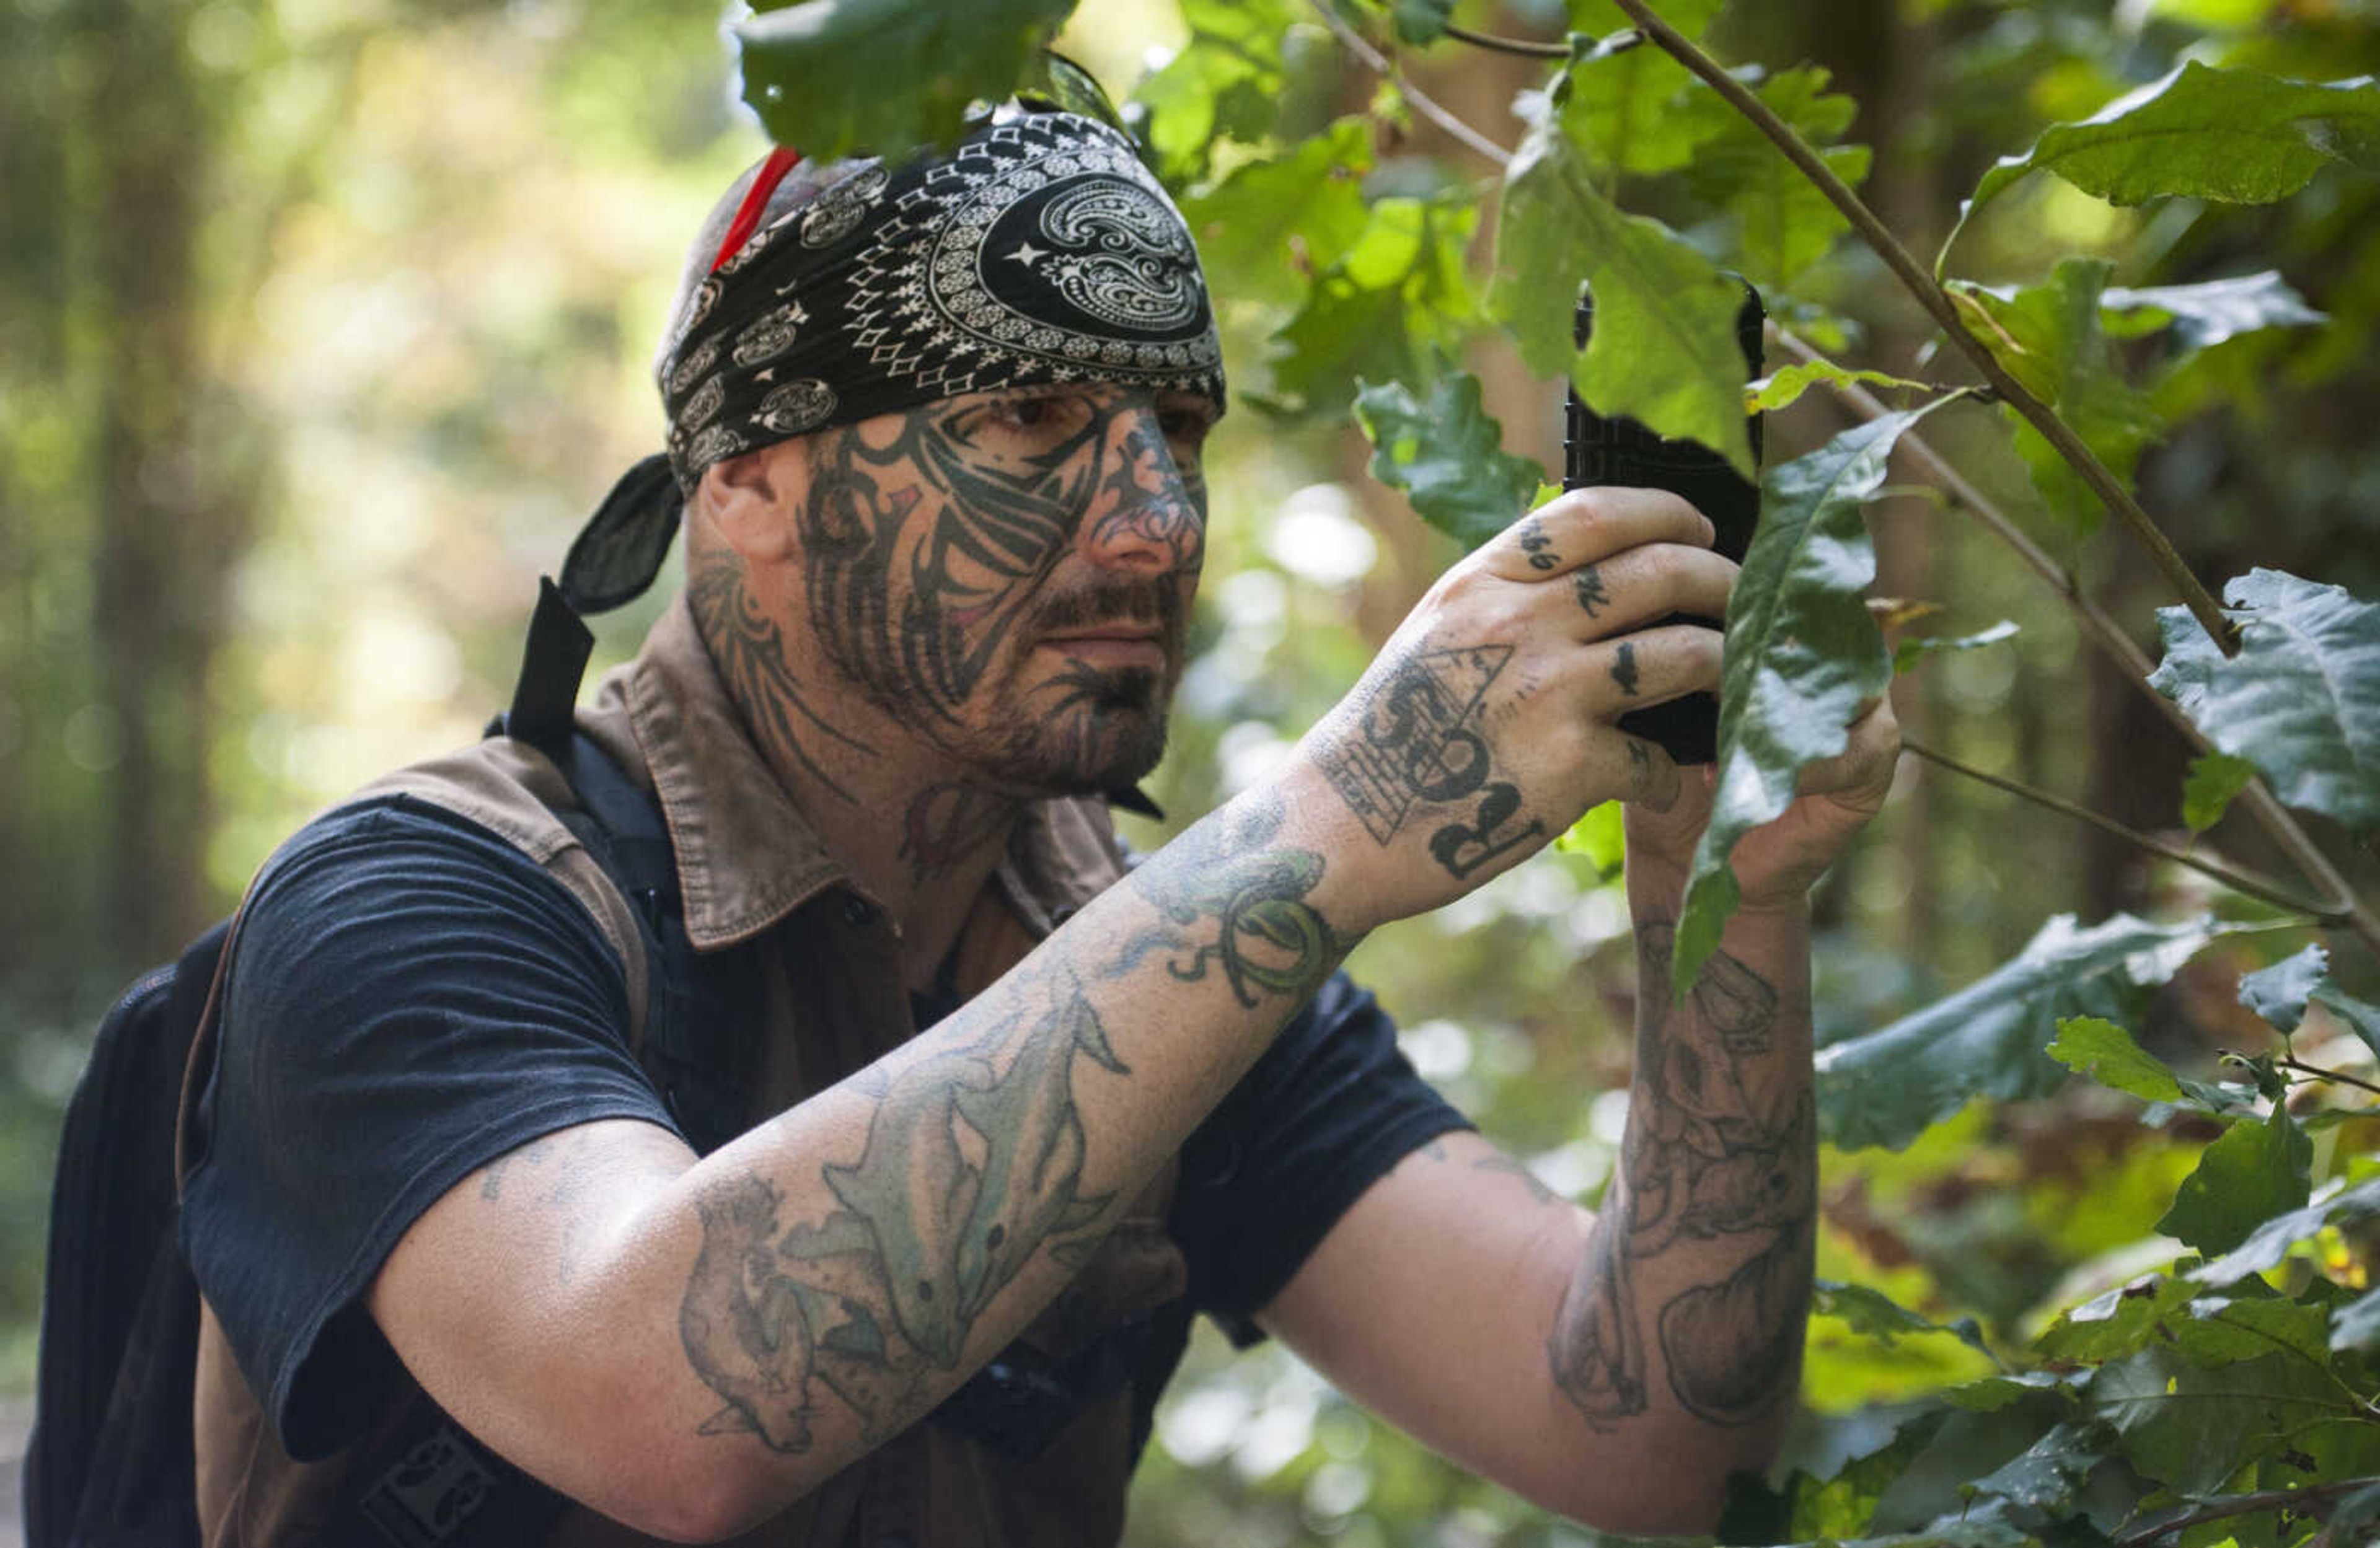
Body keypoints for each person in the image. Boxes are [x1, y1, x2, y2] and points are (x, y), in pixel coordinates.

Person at [177, 102, 1898, 1546]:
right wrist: (1340, 819)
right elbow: (661, 1397)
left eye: (1178, 431)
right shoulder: (410, 903)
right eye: (1032, 417)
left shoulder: (1176, 963)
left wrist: (1716, 882)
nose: (1153, 522)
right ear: (748, 484)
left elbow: (1648, 1436)